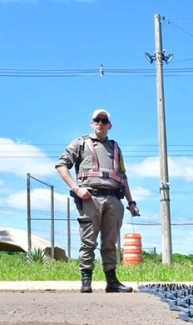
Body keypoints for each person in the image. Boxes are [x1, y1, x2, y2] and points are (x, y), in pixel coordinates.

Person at [55, 109, 140, 293]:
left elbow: (123, 177)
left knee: (110, 243)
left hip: (114, 199)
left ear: (110, 125)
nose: (100, 123)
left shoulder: (115, 148)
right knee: (88, 242)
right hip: (90, 198)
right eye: (97, 120)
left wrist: (131, 202)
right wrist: (76, 188)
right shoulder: (81, 143)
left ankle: (112, 282)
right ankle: (86, 281)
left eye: (104, 120)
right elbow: (61, 165)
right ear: (92, 123)